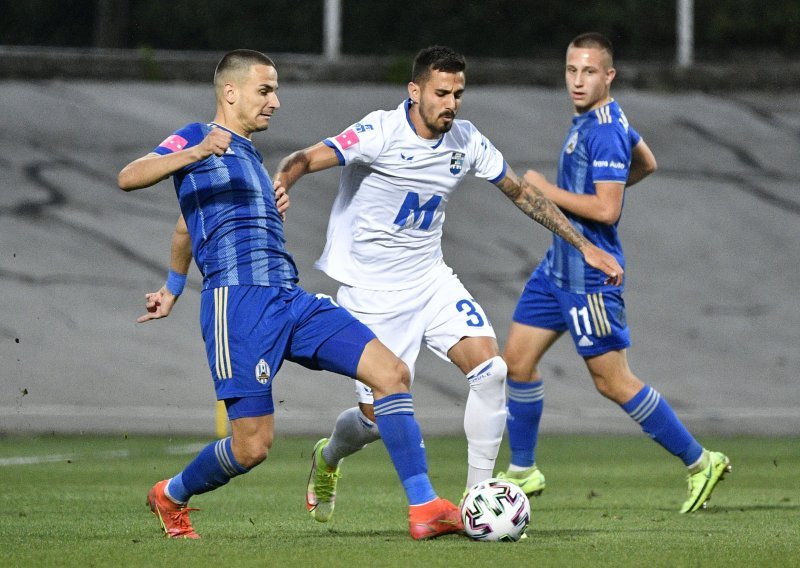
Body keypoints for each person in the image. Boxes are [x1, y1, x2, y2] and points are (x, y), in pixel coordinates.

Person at [117, 49, 464, 541]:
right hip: (237, 306)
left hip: (291, 300)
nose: (276, 102)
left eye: (275, 90)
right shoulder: (196, 137)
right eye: (266, 90)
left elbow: (185, 226)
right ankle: (170, 496)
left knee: (391, 373)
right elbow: (128, 176)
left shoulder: (251, 160)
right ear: (230, 92)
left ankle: (424, 507)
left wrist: (176, 284)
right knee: (251, 448)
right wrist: (195, 153)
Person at [270, 45, 624, 524]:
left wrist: (584, 246)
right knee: (375, 423)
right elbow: (305, 158)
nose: (451, 103)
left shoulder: (467, 140)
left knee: (492, 370)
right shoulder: (379, 131)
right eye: (441, 93)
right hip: (371, 294)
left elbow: (521, 192)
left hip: (431, 281)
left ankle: (476, 501)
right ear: (414, 91)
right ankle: (329, 457)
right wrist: (282, 183)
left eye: (458, 93)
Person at [495, 32, 731, 513]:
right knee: (516, 361)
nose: (577, 81)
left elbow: (606, 209)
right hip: (555, 268)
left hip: (589, 276)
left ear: (609, 76)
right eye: (571, 70)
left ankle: (700, 461)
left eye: (588, 72)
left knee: (613, 381)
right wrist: (610, 181)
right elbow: (648, 161)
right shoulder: (600, 117)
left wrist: (544, 188)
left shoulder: (603, 129)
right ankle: (524, 469)